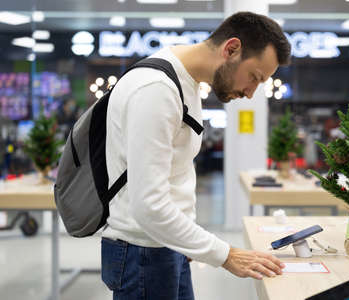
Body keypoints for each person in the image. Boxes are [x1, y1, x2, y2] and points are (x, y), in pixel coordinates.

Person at [101, 11, 291, 300]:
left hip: (166, 245)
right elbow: (148, 206)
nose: (251, 93)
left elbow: (175, 175)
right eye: (254, 77)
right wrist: (225, 255)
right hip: (144, 255)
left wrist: (187, 240)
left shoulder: (184, 82)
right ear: (231, 49)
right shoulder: (156, 90)